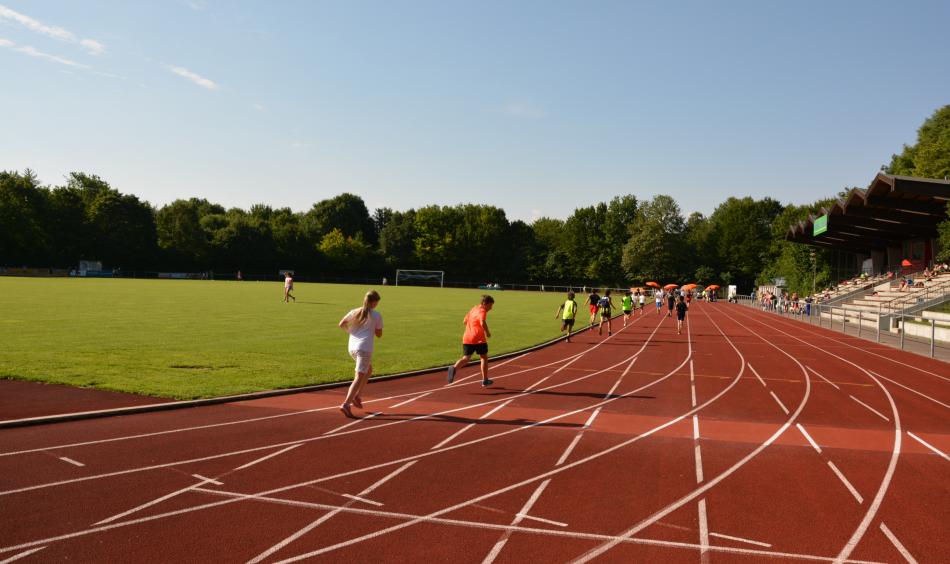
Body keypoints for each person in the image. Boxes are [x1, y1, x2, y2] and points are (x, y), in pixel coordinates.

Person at [338, 290, 383, 417]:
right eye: (377, 302)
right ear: (374, 302)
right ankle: (346, 403)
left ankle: (358, 396)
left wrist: (352, 332)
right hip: (364, 348)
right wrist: (373, 330)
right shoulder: (376, 315)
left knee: (368, 370)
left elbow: (341, 324)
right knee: (359, 376)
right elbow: (379, 334)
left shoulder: (354, 311)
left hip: (352, 347)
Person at [447, 295, 494, 387]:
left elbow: (464, 321)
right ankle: (485, 380)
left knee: (466, 358)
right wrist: (487, 332)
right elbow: (482, 322)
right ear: (485, 303)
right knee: (483, 357)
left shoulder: (474, 309)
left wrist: (472, 327)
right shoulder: (482, 311)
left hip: (467, 337)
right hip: (479, 338)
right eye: (490, 305)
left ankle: (454, 368)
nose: (491, 308)